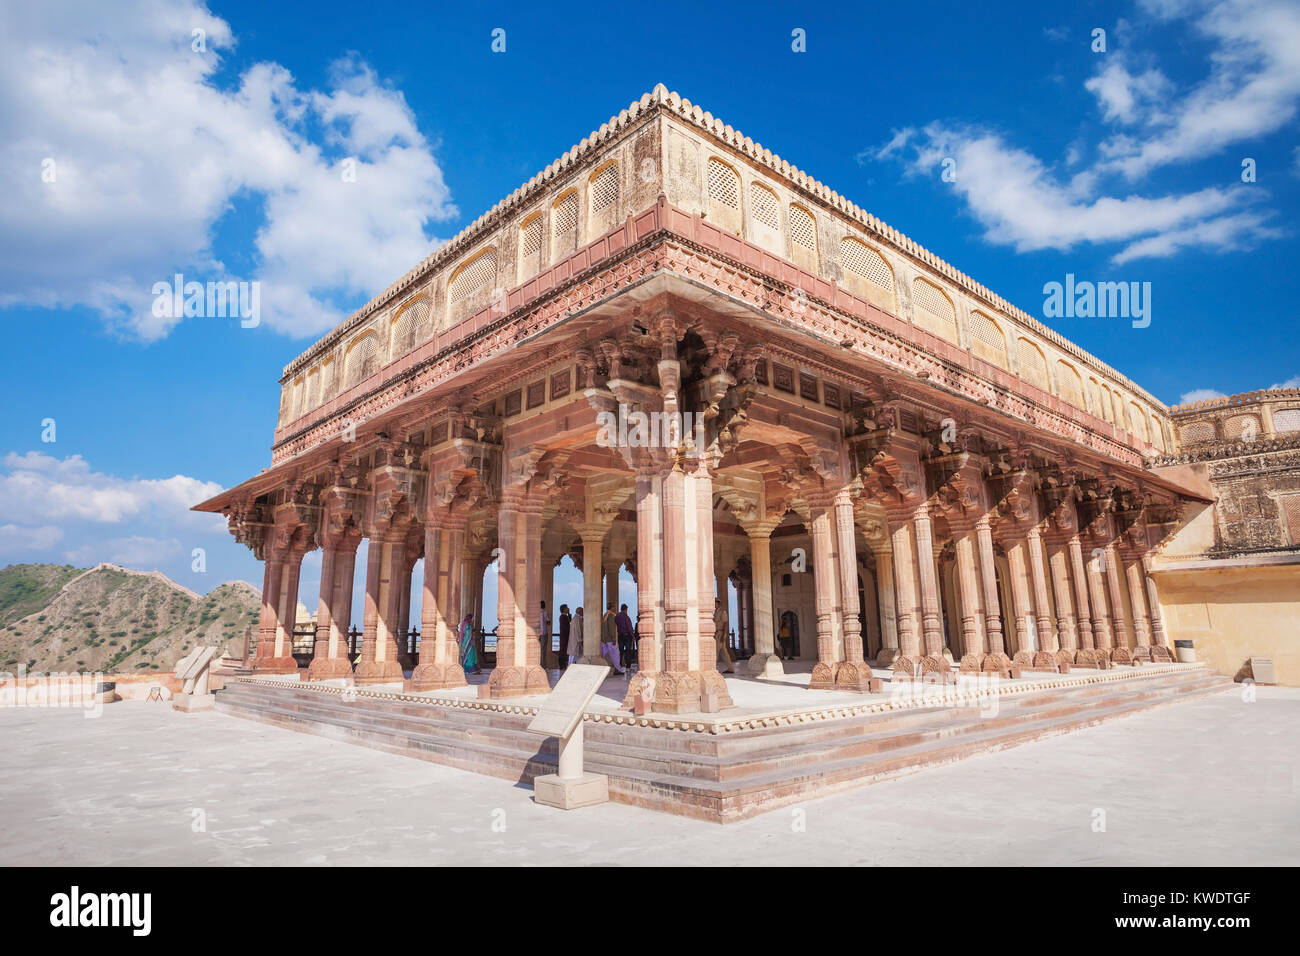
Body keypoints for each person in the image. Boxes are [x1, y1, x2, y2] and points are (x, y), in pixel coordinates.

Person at [601, 602, 624, 675]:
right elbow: (611, 628)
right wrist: (614, 639)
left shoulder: (605, 615)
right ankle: (617, 669)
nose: (615, 609)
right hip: (610, 639)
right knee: (615, 654)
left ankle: (607, 669)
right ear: (612, 608)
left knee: (605, 654)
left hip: (604, 639)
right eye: (614, 607)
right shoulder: (611, 616)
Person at [714, 597, 735, 673]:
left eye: (715, 603)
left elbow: (726, 623)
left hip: (720, 634)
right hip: (717, 633)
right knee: (724, 653)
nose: (713, 604)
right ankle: (730, 668)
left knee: (715, 651)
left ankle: (712, 668)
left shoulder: (722, 612)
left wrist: (724, 635)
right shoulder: (715, 612)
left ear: (717, 603)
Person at [615, 603, 635, 671]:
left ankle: (619, 666)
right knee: (627, 651)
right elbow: (629, 627)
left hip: (620, 636)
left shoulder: (617, 616)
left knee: (620, 651)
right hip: (627, 636)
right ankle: (628, 667)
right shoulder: (626, 617)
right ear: (626, 609)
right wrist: (633, 636)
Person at [557, 604, 572, 670]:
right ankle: (562, 665)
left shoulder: (565, 616)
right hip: (564, 636)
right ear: (564, 609)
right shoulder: (562, 616)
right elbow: (566, 628)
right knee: (563, 650)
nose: (568, 608)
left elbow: (569, 621)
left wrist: (569, 614)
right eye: (567, 608)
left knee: (564, 650)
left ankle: (563, 665)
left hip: (565, 636)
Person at [539, 600, 551, 667]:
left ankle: (539, 663)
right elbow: (548, 622)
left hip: (537, 633)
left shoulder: (536, 612)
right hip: (544, 633)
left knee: (538, 649)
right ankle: (543, 665)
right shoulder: (545, 612)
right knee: (543, 650)